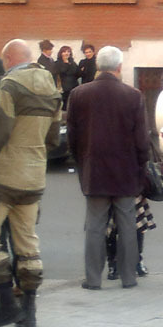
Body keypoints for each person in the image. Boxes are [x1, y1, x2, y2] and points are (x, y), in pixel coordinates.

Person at [67, 46, 150, 290]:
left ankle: (93, 279)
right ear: (120, 67)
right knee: (127, 224)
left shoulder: (78, 94)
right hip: (125, 170)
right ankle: (128, 277)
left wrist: (81, 160)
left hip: (94, 168)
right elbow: (142, 140)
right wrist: (141, 165)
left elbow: (72, 136)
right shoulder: (133, 95)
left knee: (95, 226)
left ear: (98, 66)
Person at [0, 39, 62, 327]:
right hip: (34, 176)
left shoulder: (9, 87)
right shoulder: (52, 88)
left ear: (9, 58)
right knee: (27, 244)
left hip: (4, 175)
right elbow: (53, 139)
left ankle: (7, 305)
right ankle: (30, 313)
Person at [106, 195, 156, 280]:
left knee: (111, 225)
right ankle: (135, 262)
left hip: (110, 189)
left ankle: (114, 264)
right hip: (131, 189)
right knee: (136, 223)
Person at [55, 45, 78, 110]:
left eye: (68, 51)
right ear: (61, 53)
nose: (66, 53)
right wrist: (65, 63)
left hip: (73, 87)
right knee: (64, 107)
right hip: (63, 89)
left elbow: (76, 73)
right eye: (64, 51)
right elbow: (62, 71)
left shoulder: (72, 63)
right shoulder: (57, 63)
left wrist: (70, 63)